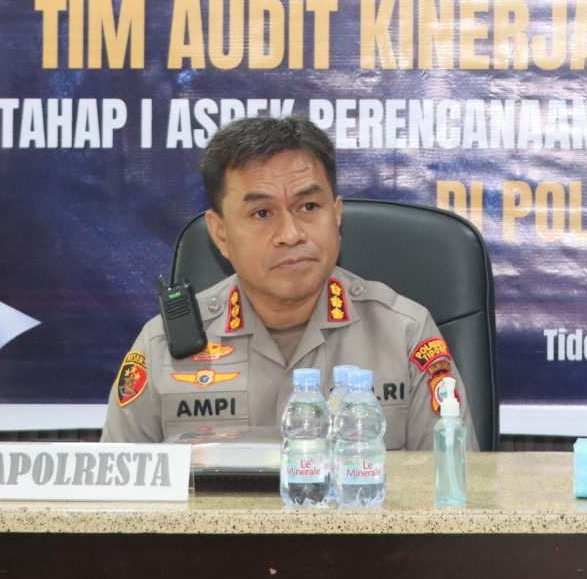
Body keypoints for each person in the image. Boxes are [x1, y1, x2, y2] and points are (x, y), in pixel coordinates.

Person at [102, 114, 468, 449]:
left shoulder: (404, 335)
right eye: (262, 213)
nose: (291, 234)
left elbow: (456, 488)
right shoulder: (161, 348)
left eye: (309, 207)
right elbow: (116, 494)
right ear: (220, 233)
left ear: (336, 215)